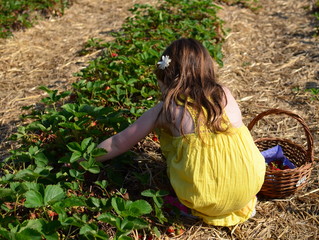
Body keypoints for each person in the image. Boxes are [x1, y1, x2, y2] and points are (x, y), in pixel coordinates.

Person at [95, 38, 266, 226]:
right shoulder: (224, 93)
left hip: (205, 198)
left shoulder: (166, 109)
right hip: (251, 187)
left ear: (167, 75)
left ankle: (188, 206)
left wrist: (85, 159)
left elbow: (119, 142)